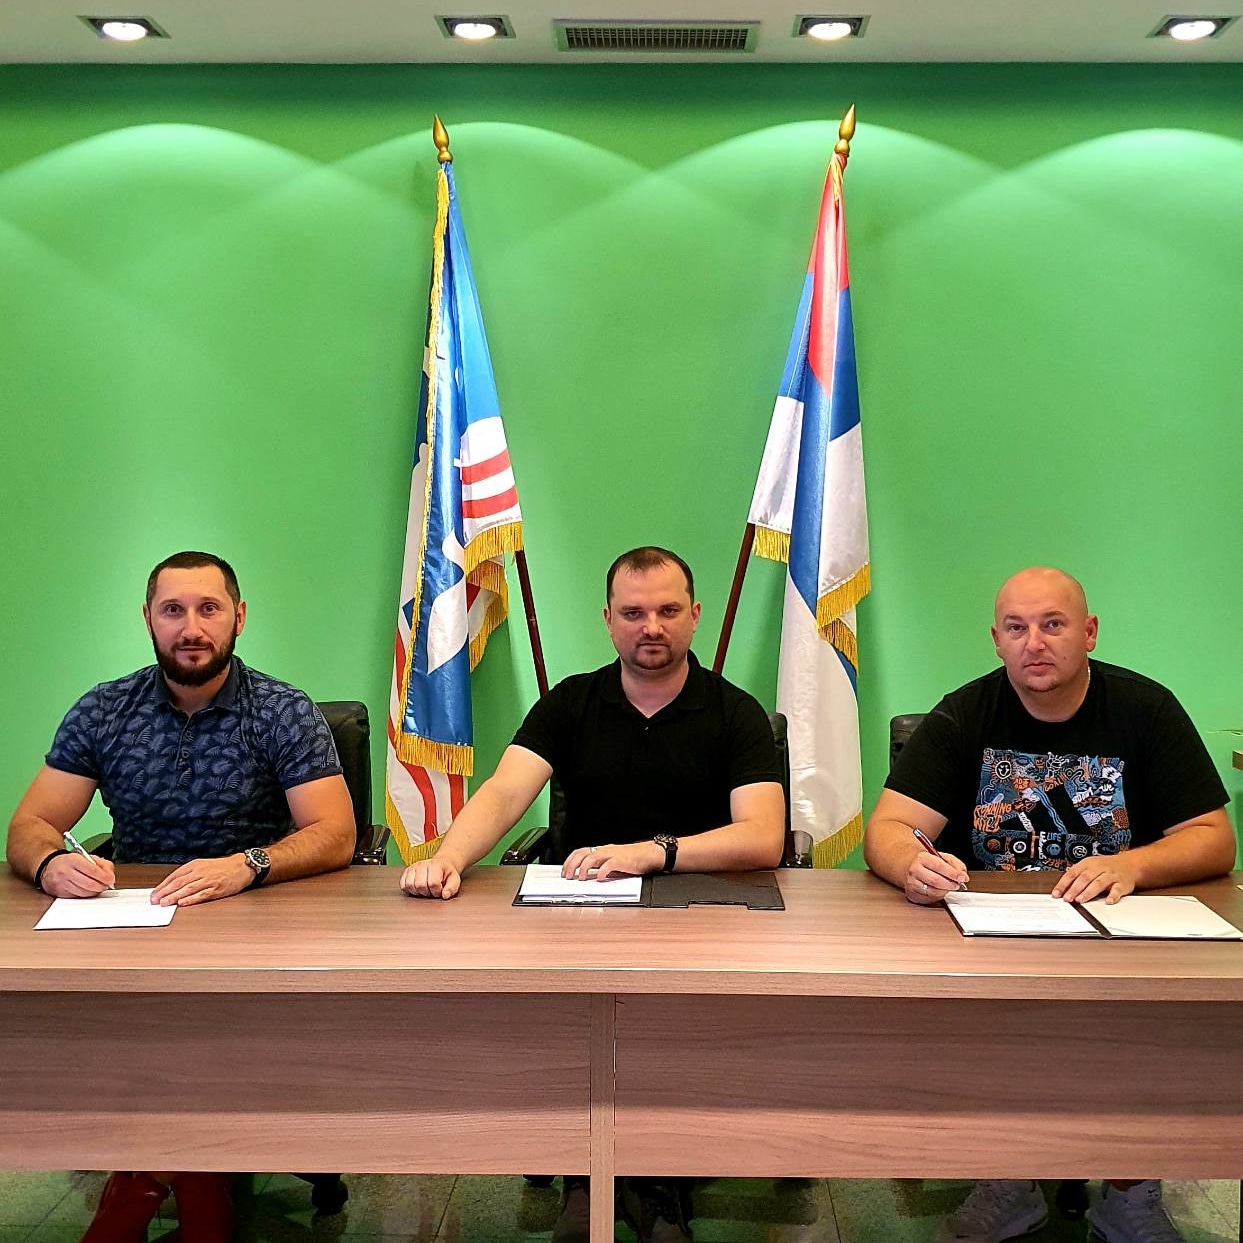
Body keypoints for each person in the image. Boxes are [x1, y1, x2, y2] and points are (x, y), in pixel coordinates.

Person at [401, 545, 786, 1243]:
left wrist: (654, 852)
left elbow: (763, 837)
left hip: (700, 916)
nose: (651, 626)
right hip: (584, 915)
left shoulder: (735, 711)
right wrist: (447, 857)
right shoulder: (572, 701)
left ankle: (655, 1178)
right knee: (576, 1027)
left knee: (672, 1028)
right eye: (633, 613)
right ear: (608, 619)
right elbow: (504, 792)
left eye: (667, 610)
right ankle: (588, 1171)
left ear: (694, 616)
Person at [863, 566, 1234, 1243]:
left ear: (1088, 632)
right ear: (996, 639)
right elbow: (887, 828)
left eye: (1052, 624)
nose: (1033, 642)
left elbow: (1213, 838)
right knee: (985, 1014)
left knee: (1157, 1015)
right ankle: (1008, 1180)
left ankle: (1129, 1193)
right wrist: (910, 864)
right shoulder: (964, 713)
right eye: (1016, 627)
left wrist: (1131, 863)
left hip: (1119, 934)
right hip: (996, 938)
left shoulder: (1146, 709)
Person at [7, 550, 356, 1243]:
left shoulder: (281, 710)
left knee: (191, 1034)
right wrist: (50, 863)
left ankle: (145, 1184)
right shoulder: (105, 708)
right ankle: (190, 1179)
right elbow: (29, 824)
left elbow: (336, 833)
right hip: (137, 930)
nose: (191, 627)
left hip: (254, 931)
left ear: (238, 617)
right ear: (148, 619)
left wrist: (248, 864)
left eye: (208, 608)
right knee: (120, 1029)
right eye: (173, 610)